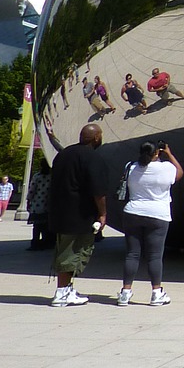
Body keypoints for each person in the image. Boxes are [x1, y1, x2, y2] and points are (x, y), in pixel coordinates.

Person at [47, 123, 107, 306]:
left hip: (60, 211)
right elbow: (98, 191)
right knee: (73, 252)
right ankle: (62, 293)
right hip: (79, 214)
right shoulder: (92, 158)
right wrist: (103, 214)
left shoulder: (63, 155)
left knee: (65, 249)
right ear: (96, 137)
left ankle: (66, 289)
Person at [118, 141, 184, 306]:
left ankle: (125, 292)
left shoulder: (130, 167)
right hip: (158, 214)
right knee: (155, 256)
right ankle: (156, 293)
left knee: (132, 254)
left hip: (132, 211)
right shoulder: (166, 168)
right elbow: (179, 173)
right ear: (157, 153)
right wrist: (169, 153)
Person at [26, 157, 53, 249]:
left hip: (37, 202)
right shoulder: (52, 176)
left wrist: (28, 200)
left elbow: (32, 190)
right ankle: (46, 242)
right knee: (46, 225)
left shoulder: (37, 176)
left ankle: (35, 243)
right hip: (48, 203)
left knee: (37, 226)